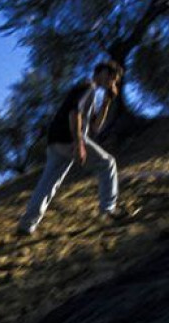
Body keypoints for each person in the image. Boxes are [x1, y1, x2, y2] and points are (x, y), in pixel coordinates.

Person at [15, 60, 132, 236]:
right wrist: (79, 143)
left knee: (48, 184)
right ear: (103, 73)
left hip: (55, 140)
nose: (113, 83)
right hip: (69, 139)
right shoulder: (89, 86)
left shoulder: (89, 92)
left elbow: (95, 126)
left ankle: (26, 226)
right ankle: (108, 210)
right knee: (107, 163)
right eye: (113, 79)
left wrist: (107, 101)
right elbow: (74, 112)